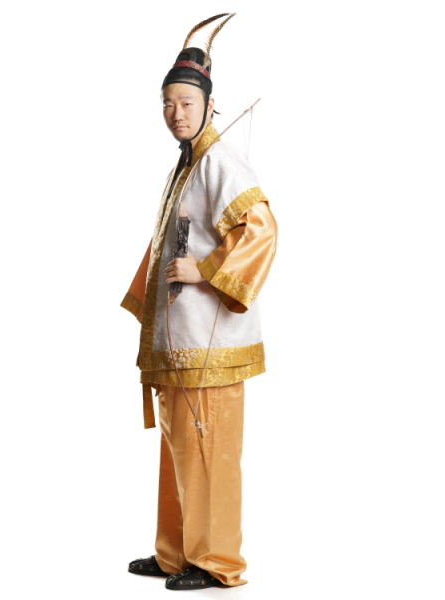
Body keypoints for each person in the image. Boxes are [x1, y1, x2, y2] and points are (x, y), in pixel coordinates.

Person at [120, 13, 277, 591]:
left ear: (210, 105)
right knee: (179, 453)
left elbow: (261, 229)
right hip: (180, 341)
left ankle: (215, 562)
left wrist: (207, 271)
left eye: (186, 103)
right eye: (168, 104)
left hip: (212, 347)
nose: (176, 113)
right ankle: (175, 554)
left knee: (209, 456)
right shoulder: (185, 166)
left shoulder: (221, 163)